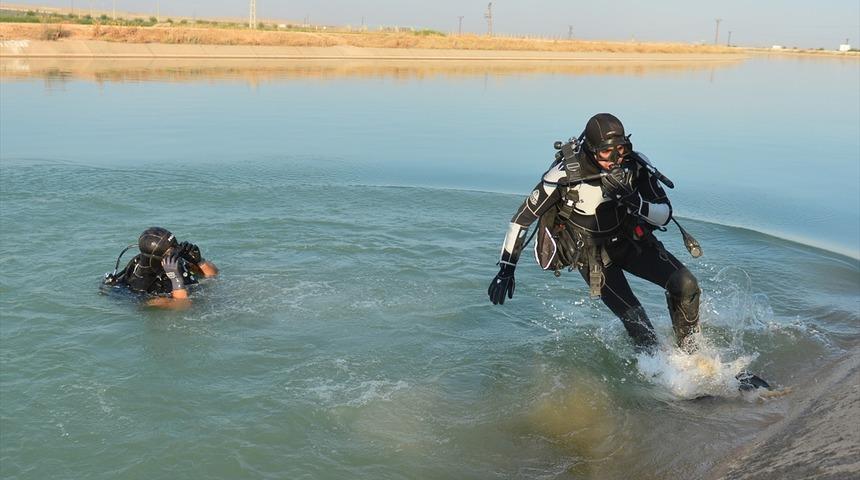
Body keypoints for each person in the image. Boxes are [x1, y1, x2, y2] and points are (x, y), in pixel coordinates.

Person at [487, 113, 701, 354]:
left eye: (621, 148)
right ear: (590, 148)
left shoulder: (635, 166)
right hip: (593, 257)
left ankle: (692, 357)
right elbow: (521, 220)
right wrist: (506, 269)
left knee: (687, 285)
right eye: (607, 151)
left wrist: (635, 202)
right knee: (639, 325)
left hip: (631, 241)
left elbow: (665, 213)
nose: (616, 158)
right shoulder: (563, 176)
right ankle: (660, 376)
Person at [102, 227, 219, 308]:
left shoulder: (173, 259)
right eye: (171, 253)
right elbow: (183, 306)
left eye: (176, 248)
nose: (176, 255)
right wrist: (176, 279)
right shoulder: (141, 287)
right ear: (157, 259)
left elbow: (213, 275)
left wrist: (199, 261)